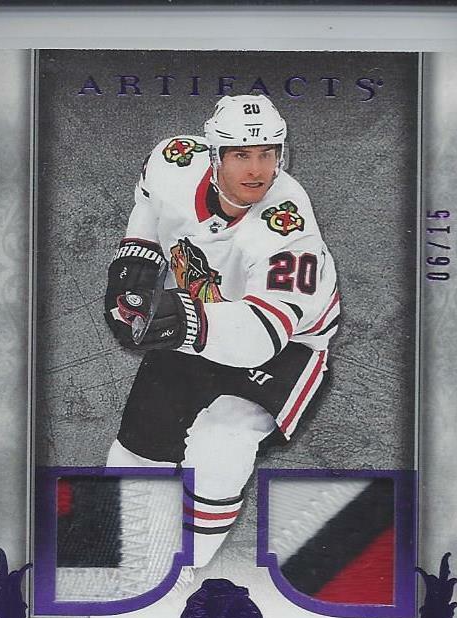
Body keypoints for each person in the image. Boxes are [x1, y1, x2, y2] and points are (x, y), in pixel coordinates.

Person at [104, 94, 339, 569]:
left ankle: (184, 569)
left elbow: (263, 335)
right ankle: (124, 550)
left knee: (219, 445)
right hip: (204, 314)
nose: (257, 169)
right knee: (139, 443)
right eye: (241, 155)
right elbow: (149, 200)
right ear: (213, 155)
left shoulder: (289, 229)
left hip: (288, 344)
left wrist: (180, 317)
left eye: (268, 154)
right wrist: (137, 258)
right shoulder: (174, 159)